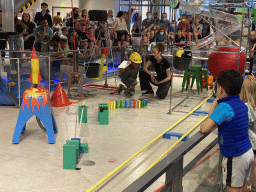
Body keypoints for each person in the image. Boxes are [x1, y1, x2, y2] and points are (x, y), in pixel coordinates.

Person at [200, 69, 254, 192]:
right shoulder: (240, 103)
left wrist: (216, 102)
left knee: (233, 188)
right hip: (247, 152)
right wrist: (216, 102)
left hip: (235, 157)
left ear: (220, 89)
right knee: (243, 186)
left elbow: (204, 128)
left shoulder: (224, 107)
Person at [240, 75, 256, 192]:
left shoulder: (247, 107)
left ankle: (251, 186)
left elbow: (242, 123)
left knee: (250, 169)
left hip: (252, 144)